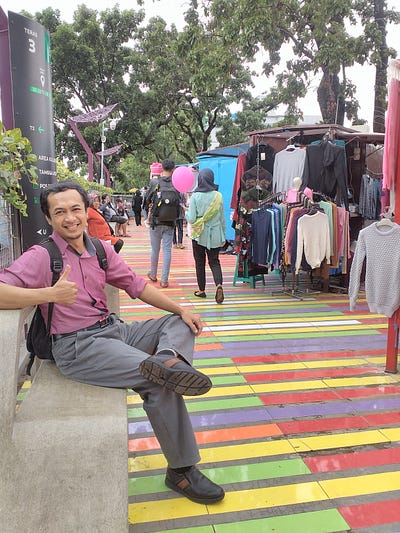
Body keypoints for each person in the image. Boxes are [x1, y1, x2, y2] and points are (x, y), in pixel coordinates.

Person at [0, 181, 224, 505]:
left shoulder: (100, 250)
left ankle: (168, 357)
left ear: (86, 210)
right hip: (78, 346)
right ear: (49, 219)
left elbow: (137, 285)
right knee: (158, 381)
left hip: (114, 331)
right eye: (59, 212)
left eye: (75, 209)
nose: (70, 218)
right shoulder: (42, 256)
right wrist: (49, 294)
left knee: (178, 323)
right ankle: (181, 471)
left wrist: (181, 309)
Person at [185, 168, 226, 304]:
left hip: (199, 234)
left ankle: (201, 290)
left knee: (200, 262)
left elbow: (191, 218)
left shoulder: (195, 197)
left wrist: (186, 212)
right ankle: (218, 285)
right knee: (214, 261)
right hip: (215, 233)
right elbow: (222, 218)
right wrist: (223, 236)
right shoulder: (218, 196)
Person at [144, 159, 180, 288]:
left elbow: (147, 200)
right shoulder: (176, 183)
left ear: (161, 169)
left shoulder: (155, 182)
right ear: (173, 170)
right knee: (167, 250)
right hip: (170, 222)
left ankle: (153, 274)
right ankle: (164, 280)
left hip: (156, 221)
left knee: (155, 250)